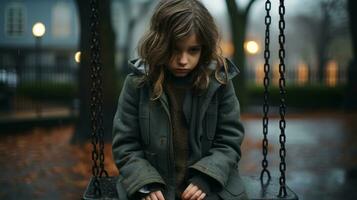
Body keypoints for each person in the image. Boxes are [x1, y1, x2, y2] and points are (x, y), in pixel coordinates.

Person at [112, 0, 246, 199]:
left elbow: (229, 141)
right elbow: (125, 144)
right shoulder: (138, 84)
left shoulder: (219, 82)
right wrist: (145, 182)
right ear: (159, 44)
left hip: (209, 188)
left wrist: (206, 178)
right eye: (175, 49)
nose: (183, 60)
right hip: (155, 188)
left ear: (204, 48)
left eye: (193, 50)